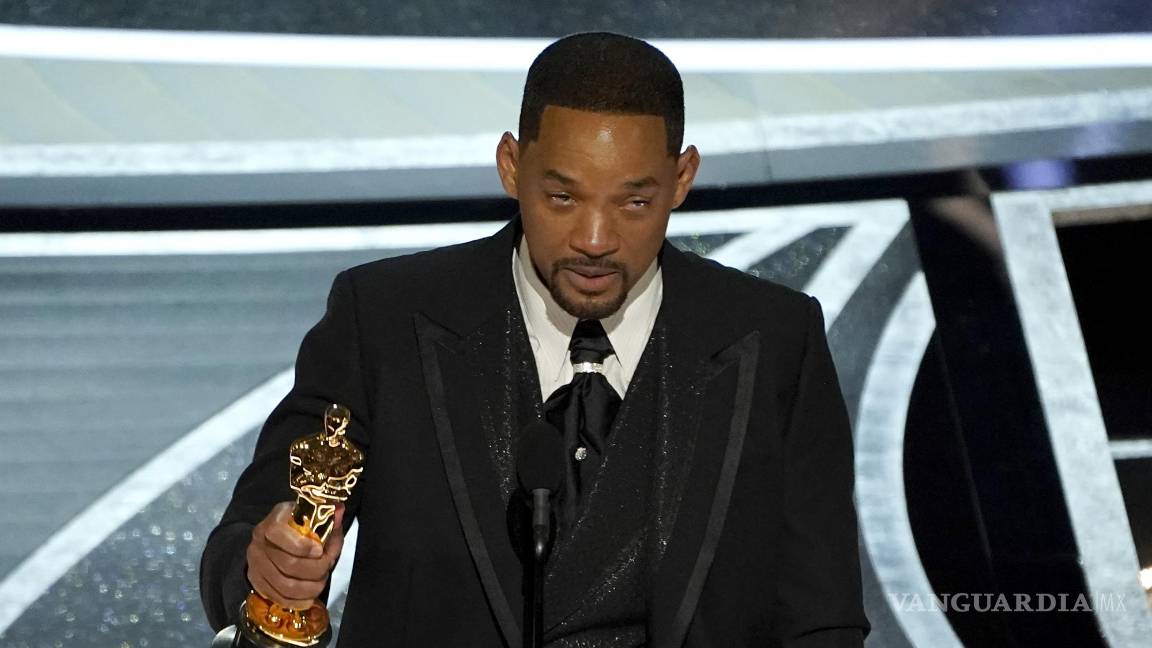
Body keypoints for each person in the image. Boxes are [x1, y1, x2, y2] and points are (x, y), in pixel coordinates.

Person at [201, 32, 869, 647]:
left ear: (682, 179)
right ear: (512, 167)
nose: (596, 239)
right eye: (563, 198)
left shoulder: (775, 339)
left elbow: (823, 619)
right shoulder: (383, 319)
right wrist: (268, 567)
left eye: (634, 202)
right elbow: (243, 542)